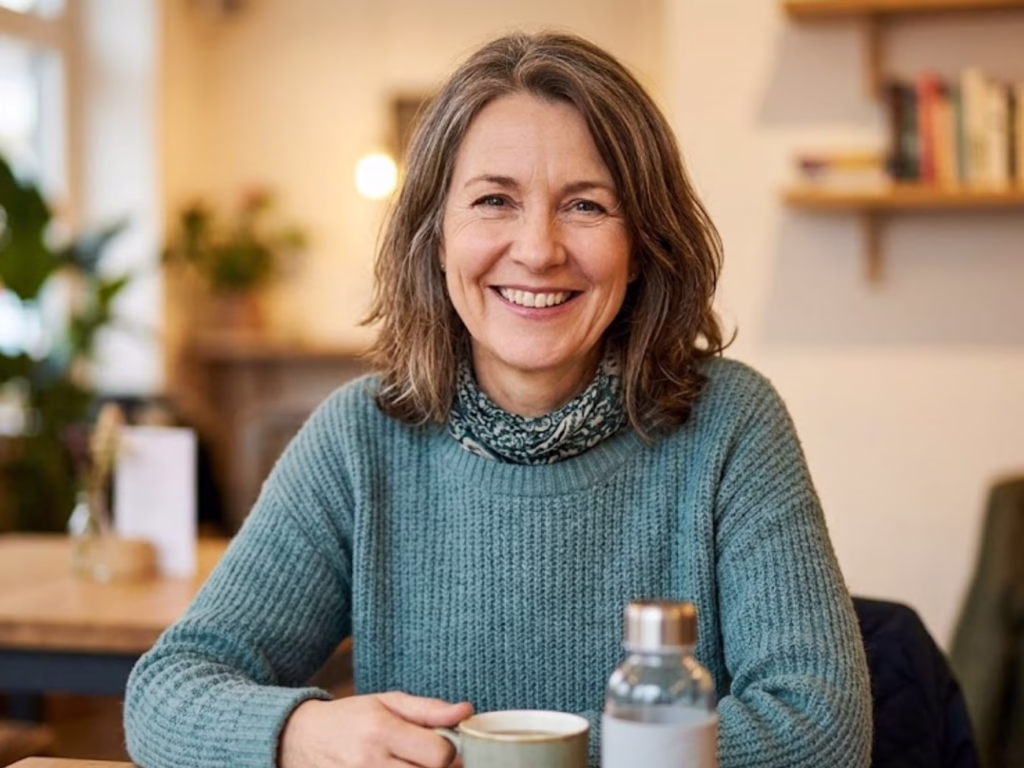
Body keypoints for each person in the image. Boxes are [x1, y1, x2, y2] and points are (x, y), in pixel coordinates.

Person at [124, 31, 872, 768]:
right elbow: (165, 692)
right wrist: (295, 732)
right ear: (436, 235)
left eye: (585, 206)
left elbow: (821, 729)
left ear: (642, 243)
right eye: (493, 201)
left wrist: (510, 755)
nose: (539, 249)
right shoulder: (360, 438)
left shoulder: (731, 425)